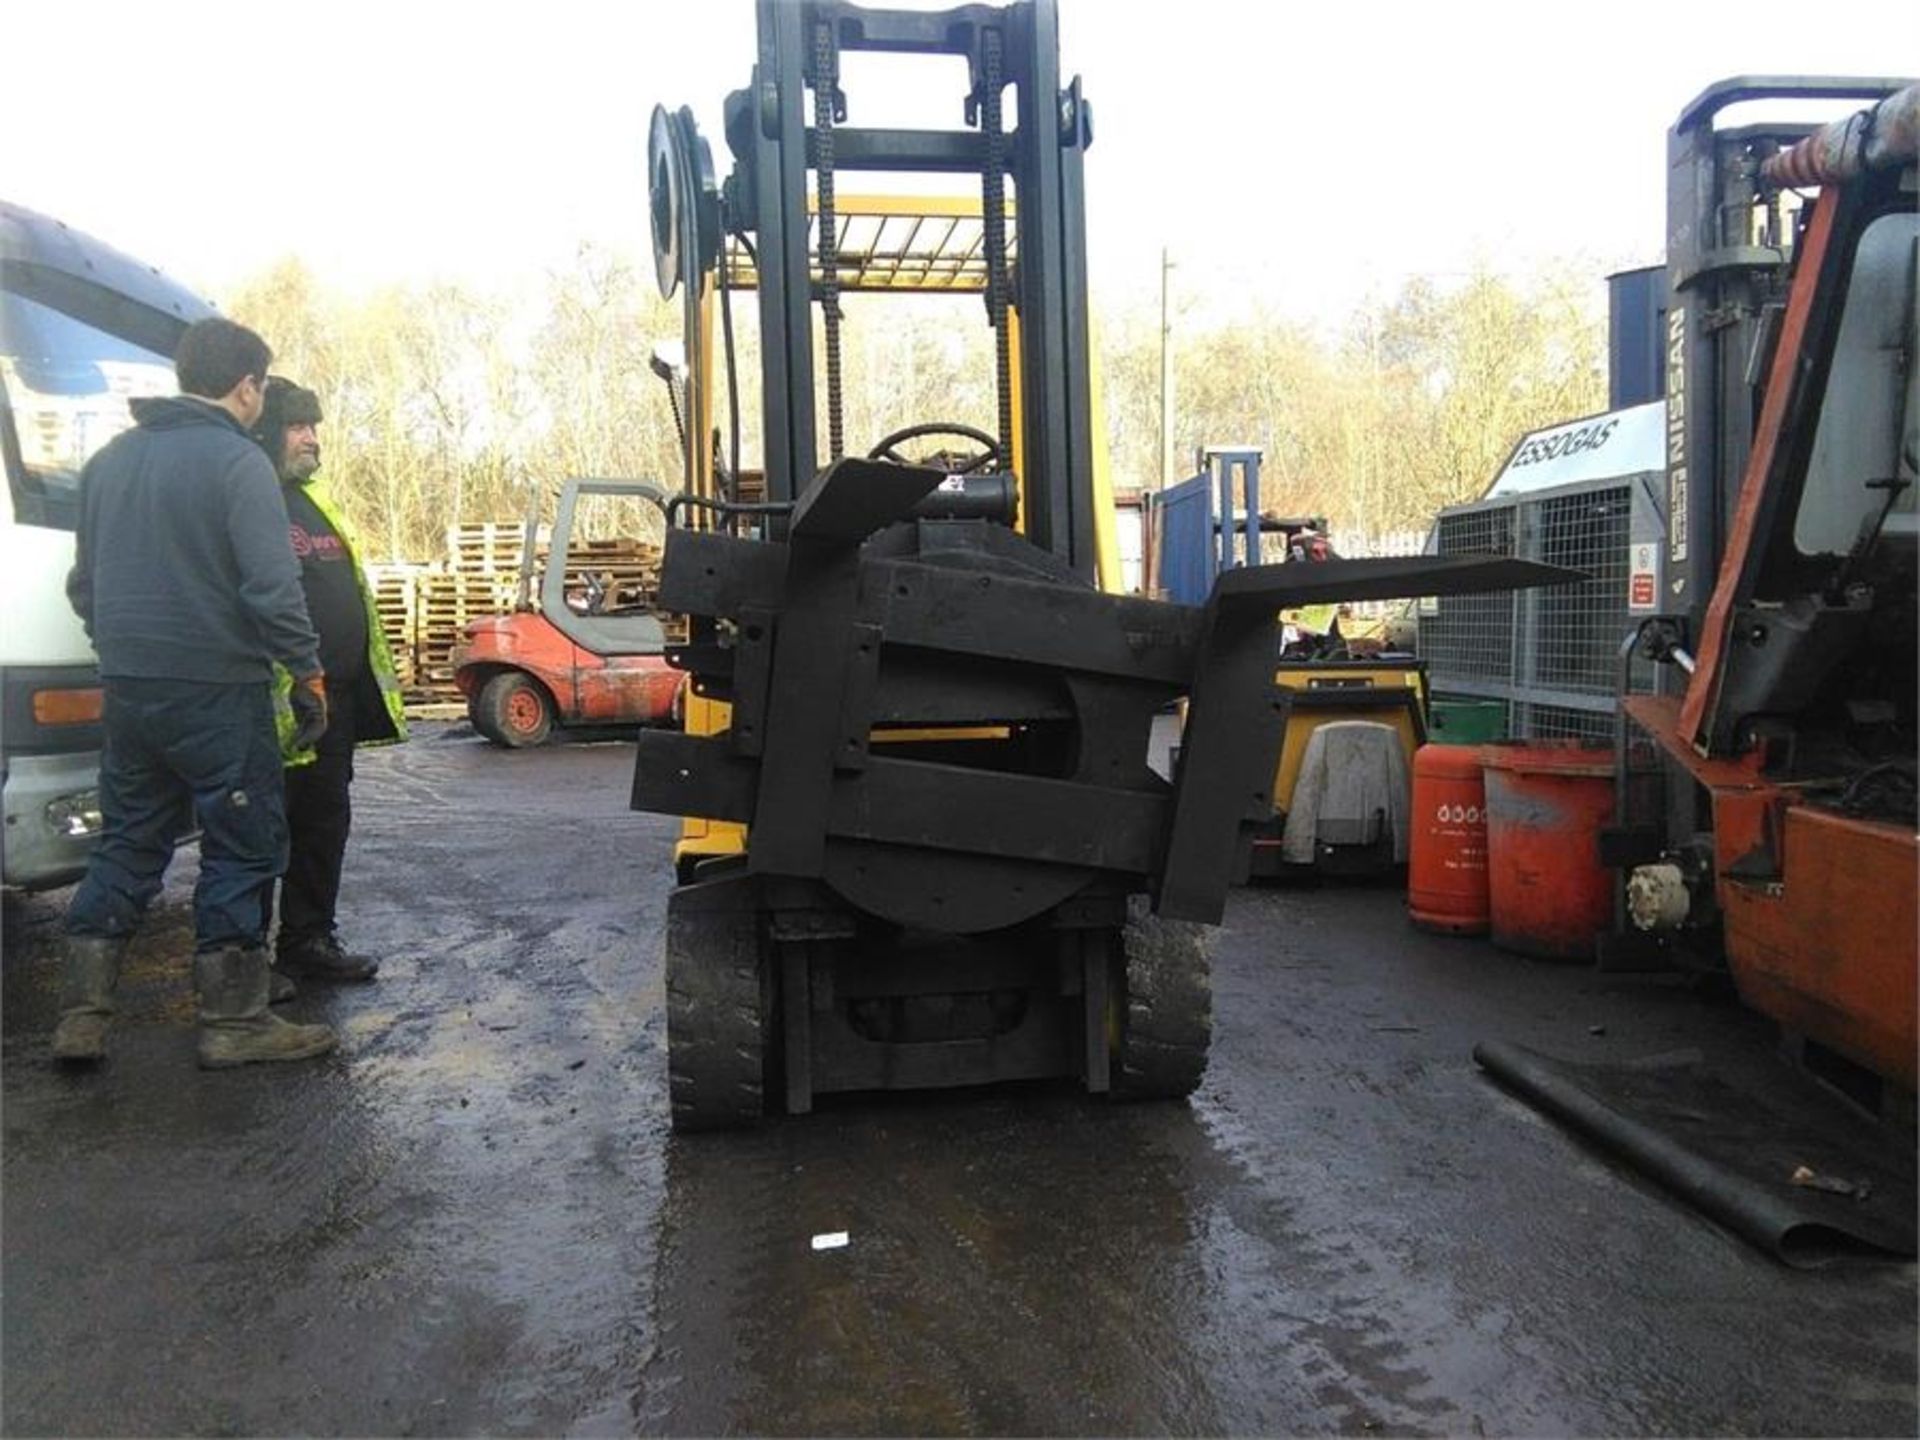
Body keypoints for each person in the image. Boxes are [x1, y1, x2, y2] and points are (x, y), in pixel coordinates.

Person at [52, 318, 337, 1068]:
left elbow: (85, 585)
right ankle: (234, 1023)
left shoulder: (110, 463)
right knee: (242, 847)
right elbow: (273, 590)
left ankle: (82, 1015)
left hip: (131, 689)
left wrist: (122, 650)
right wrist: (306, 674)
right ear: (247, 388)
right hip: (218, 691)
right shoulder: (237, 466)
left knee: (128, 841)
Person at [252, 377, 407, 989]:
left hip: (332, 698)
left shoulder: (318, 501)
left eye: (313, 426)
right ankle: (245, 960)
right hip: (273, 703)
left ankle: (307, 941)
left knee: (324, 821)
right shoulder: (250, 501)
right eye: (296, 426)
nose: (311, 438)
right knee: (262, 832)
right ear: (265, 429)